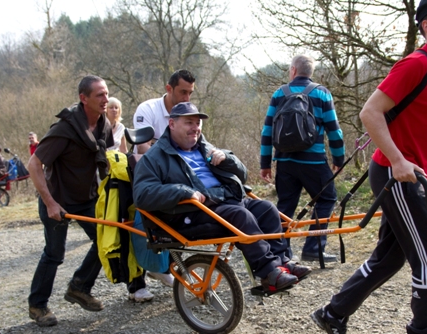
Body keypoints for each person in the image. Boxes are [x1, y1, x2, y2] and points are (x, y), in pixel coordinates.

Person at [311, 0, 427, 334]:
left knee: (388, 258)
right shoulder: (417, 64)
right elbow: (371, 112)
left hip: (410, 169)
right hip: (397, 175)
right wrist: (399, 159)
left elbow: (417, 119)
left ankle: (333, 314)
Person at [133, 102, 312, 292]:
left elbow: (242, 175)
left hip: (224, 199)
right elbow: (142, 194)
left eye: (198, 123)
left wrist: (228, 159)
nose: (195, 128)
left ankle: (282, 263)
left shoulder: (205, 147)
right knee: (240, 216)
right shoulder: (154, 157)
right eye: (189, 123)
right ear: (172, 124)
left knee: (267, 209)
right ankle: (269, 273)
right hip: (190, 212)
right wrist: (183, 191)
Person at [27, 75, 115, 327]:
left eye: (106, 93)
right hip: (57, 200)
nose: (105, 99)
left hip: (85, 198)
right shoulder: (64, 129)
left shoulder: (103, 124)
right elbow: (34, 164)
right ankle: (37, 305)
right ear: (83, 98)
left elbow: (105, 162)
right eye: (99, 95)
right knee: (54, 254)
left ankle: (79, 287)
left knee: (104, 242)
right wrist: (51, 203)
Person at [260, 55, 345, 264]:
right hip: (314, 162)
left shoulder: (280, 94)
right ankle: (314, 249)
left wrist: (265, 163)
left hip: (285, 162)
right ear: (310, 72)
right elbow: (334, 131)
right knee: (326, 199)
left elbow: (267, 131)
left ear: (293, 70)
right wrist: (338, 158)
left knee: (285, 205)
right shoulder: (322, 94)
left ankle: (280, 253)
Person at [132, 69, 196, 287]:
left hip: (175, 171)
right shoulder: (147, 109)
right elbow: (143, 148)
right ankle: (138, 278)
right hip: (146, 169)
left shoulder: (189, 115)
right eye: (182, 92)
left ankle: (167, 264)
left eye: (190, 93)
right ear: (169, 89)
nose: (186, 98)